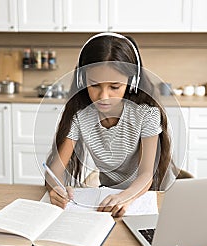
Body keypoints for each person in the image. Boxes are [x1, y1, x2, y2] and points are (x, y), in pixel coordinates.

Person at [44, 32, 176, 217]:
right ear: (83, 81)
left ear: (132, 81)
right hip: (110, 196)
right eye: (94, 85)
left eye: (114, 87)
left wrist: (126, 197)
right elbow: (56, 168)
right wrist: (55, 188)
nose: (103, 96)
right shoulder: (79, 116)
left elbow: (147, 173)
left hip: (155, 194)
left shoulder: (146, 113)